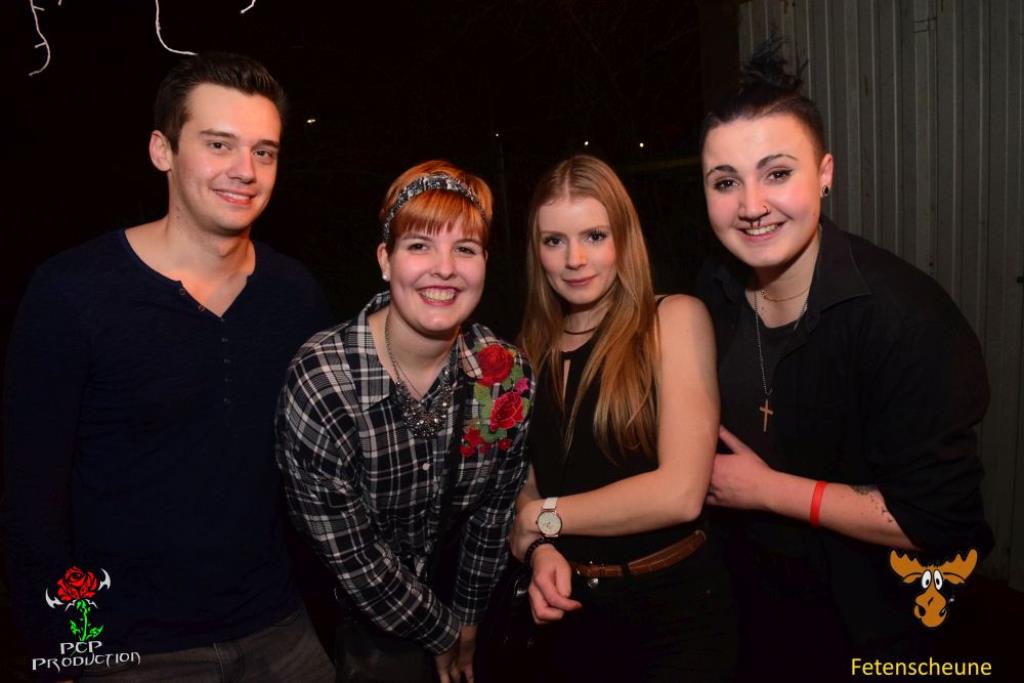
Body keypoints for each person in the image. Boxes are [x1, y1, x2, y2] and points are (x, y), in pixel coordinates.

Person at [3, 53, 335, 681]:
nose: (245, 170)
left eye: (264, 151)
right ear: (163, 150)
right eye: (219, 144)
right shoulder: (72, 293)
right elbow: (31, 499)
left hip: (281, 634)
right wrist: (66, 652)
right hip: (130, 649)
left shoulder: (296, 296)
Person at [695, 41, 994, 679]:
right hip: (749, 616)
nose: (751, 206)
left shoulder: (904, 319)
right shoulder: (711, 294)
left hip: (873, 630)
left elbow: (936, 520)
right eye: (726, 182)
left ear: (825, 173)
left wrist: (768, 491)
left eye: (778, 173)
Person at [276, 160, 533, 683]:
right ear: (385, 260)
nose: (445, 268)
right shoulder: (325, 381)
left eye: (465, 249)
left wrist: (469, 620)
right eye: (419, 245)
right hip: (349, 621)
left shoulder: (503, 375)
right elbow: (351, 553)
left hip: (466, 605)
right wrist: (444, 631)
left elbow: (493, 515)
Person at [509, 155, 735, 682]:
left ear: (624, 239)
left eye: (594, 235)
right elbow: (525, 479)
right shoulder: (527, 350)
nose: (574, 260)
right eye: (554, 241)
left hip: (676, 614)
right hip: (572, 613)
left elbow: (680, 493)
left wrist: (541, 519)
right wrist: (540, 548)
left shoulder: (671, 320)